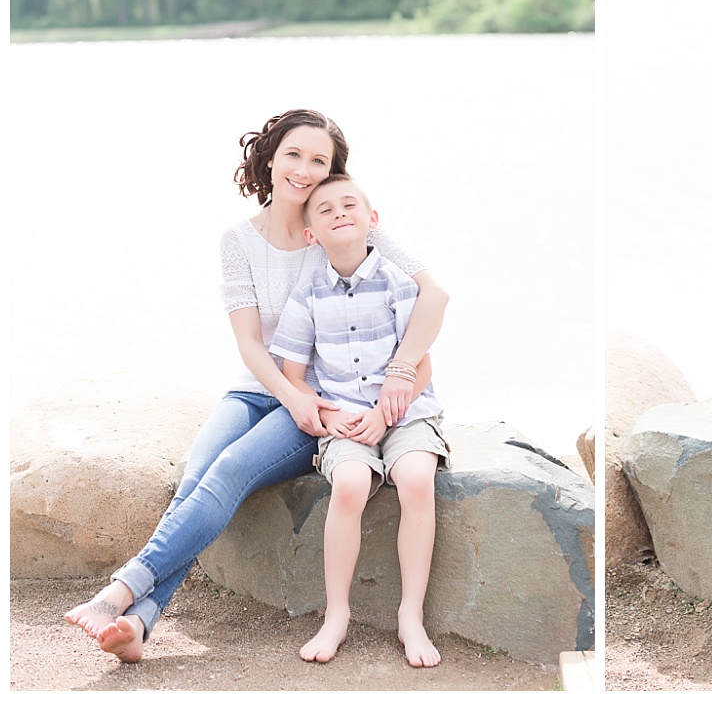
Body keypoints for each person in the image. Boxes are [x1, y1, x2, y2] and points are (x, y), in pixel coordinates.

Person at [64, 109, 450, 664]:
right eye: (294, 154)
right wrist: (289, 395)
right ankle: (142, 621)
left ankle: (122, 591)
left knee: (229, 473)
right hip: (262, 388)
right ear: (270, 159)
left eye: (320, 161)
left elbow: (431, 295)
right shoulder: (237, 241)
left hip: (323, 400)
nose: (305, 169)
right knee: (195, 478)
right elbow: (249, 343)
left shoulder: (340, 221)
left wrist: (398, 373)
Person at [268, 174, 449, 666]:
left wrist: (385, 415)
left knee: (415, 480)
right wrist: (334, 415)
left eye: (350, 205)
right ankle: (337, 615)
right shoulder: (307, 294)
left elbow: (421, 360)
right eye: (324, 210)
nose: (339, 213)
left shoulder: (397, 281)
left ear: (373, 221)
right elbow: (294, 375)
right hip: (345, 417)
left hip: (405, 410)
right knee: (348, 484)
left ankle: (410, 616)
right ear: (312, 235)